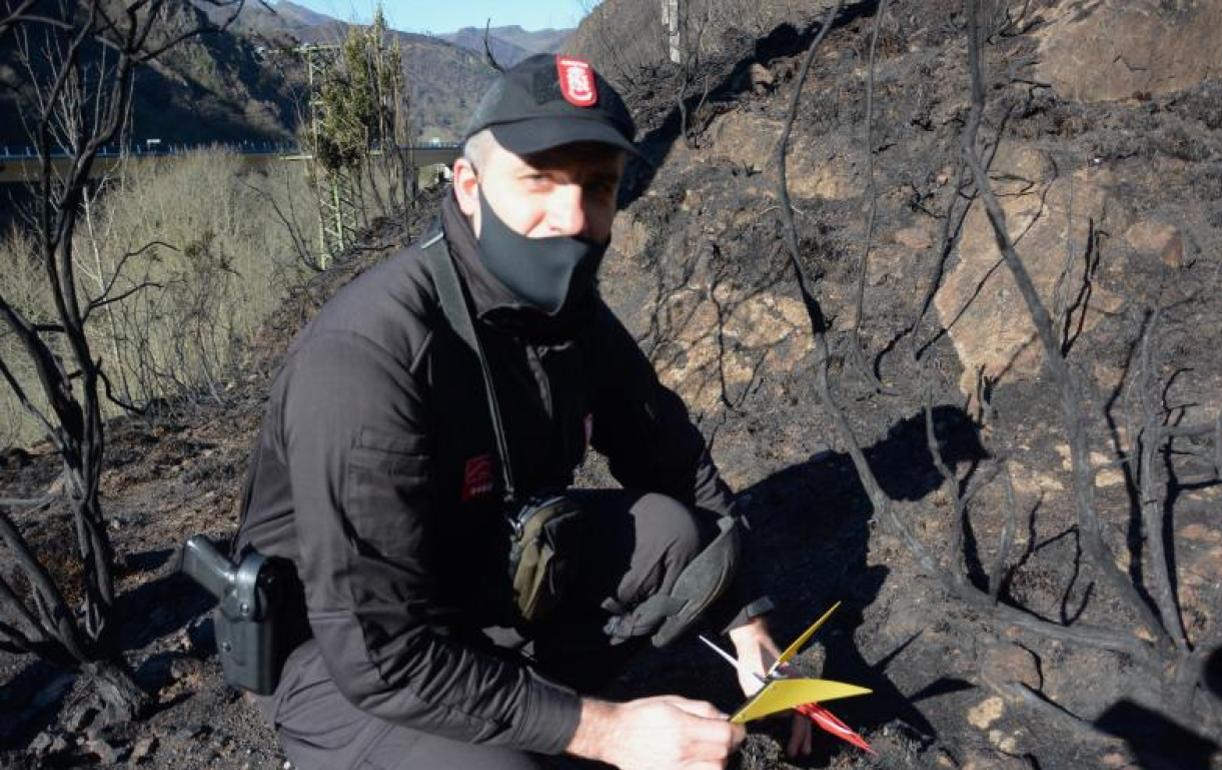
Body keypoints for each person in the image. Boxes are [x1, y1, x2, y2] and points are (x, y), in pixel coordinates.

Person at [232, 53, 809, 769]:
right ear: (468, 186)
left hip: (479, 577)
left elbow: (669, 456)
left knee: (677, 538)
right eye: (538, 179)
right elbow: (379, 650)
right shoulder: (369, 352)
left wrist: (749, 620)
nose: (571, 217)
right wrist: (607, 730)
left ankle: (521, 703)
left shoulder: (568, 314)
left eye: (596, 187)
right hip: (340, 655)